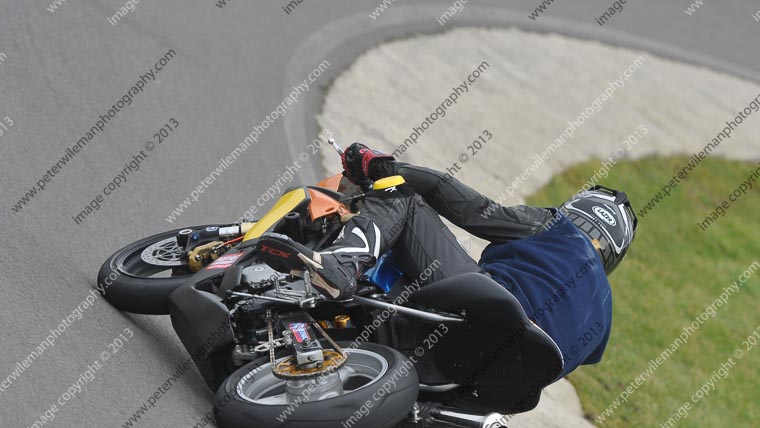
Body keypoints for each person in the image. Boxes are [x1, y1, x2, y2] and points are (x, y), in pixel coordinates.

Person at [258, 142, 637, 382]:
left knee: (403, 198)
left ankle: (340, 267)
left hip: (480, 311)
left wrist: (382, 169)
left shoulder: (556, 228)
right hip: (497, 384)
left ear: (575, 211)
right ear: (613, 257)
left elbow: (472, 210)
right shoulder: (603, 321)